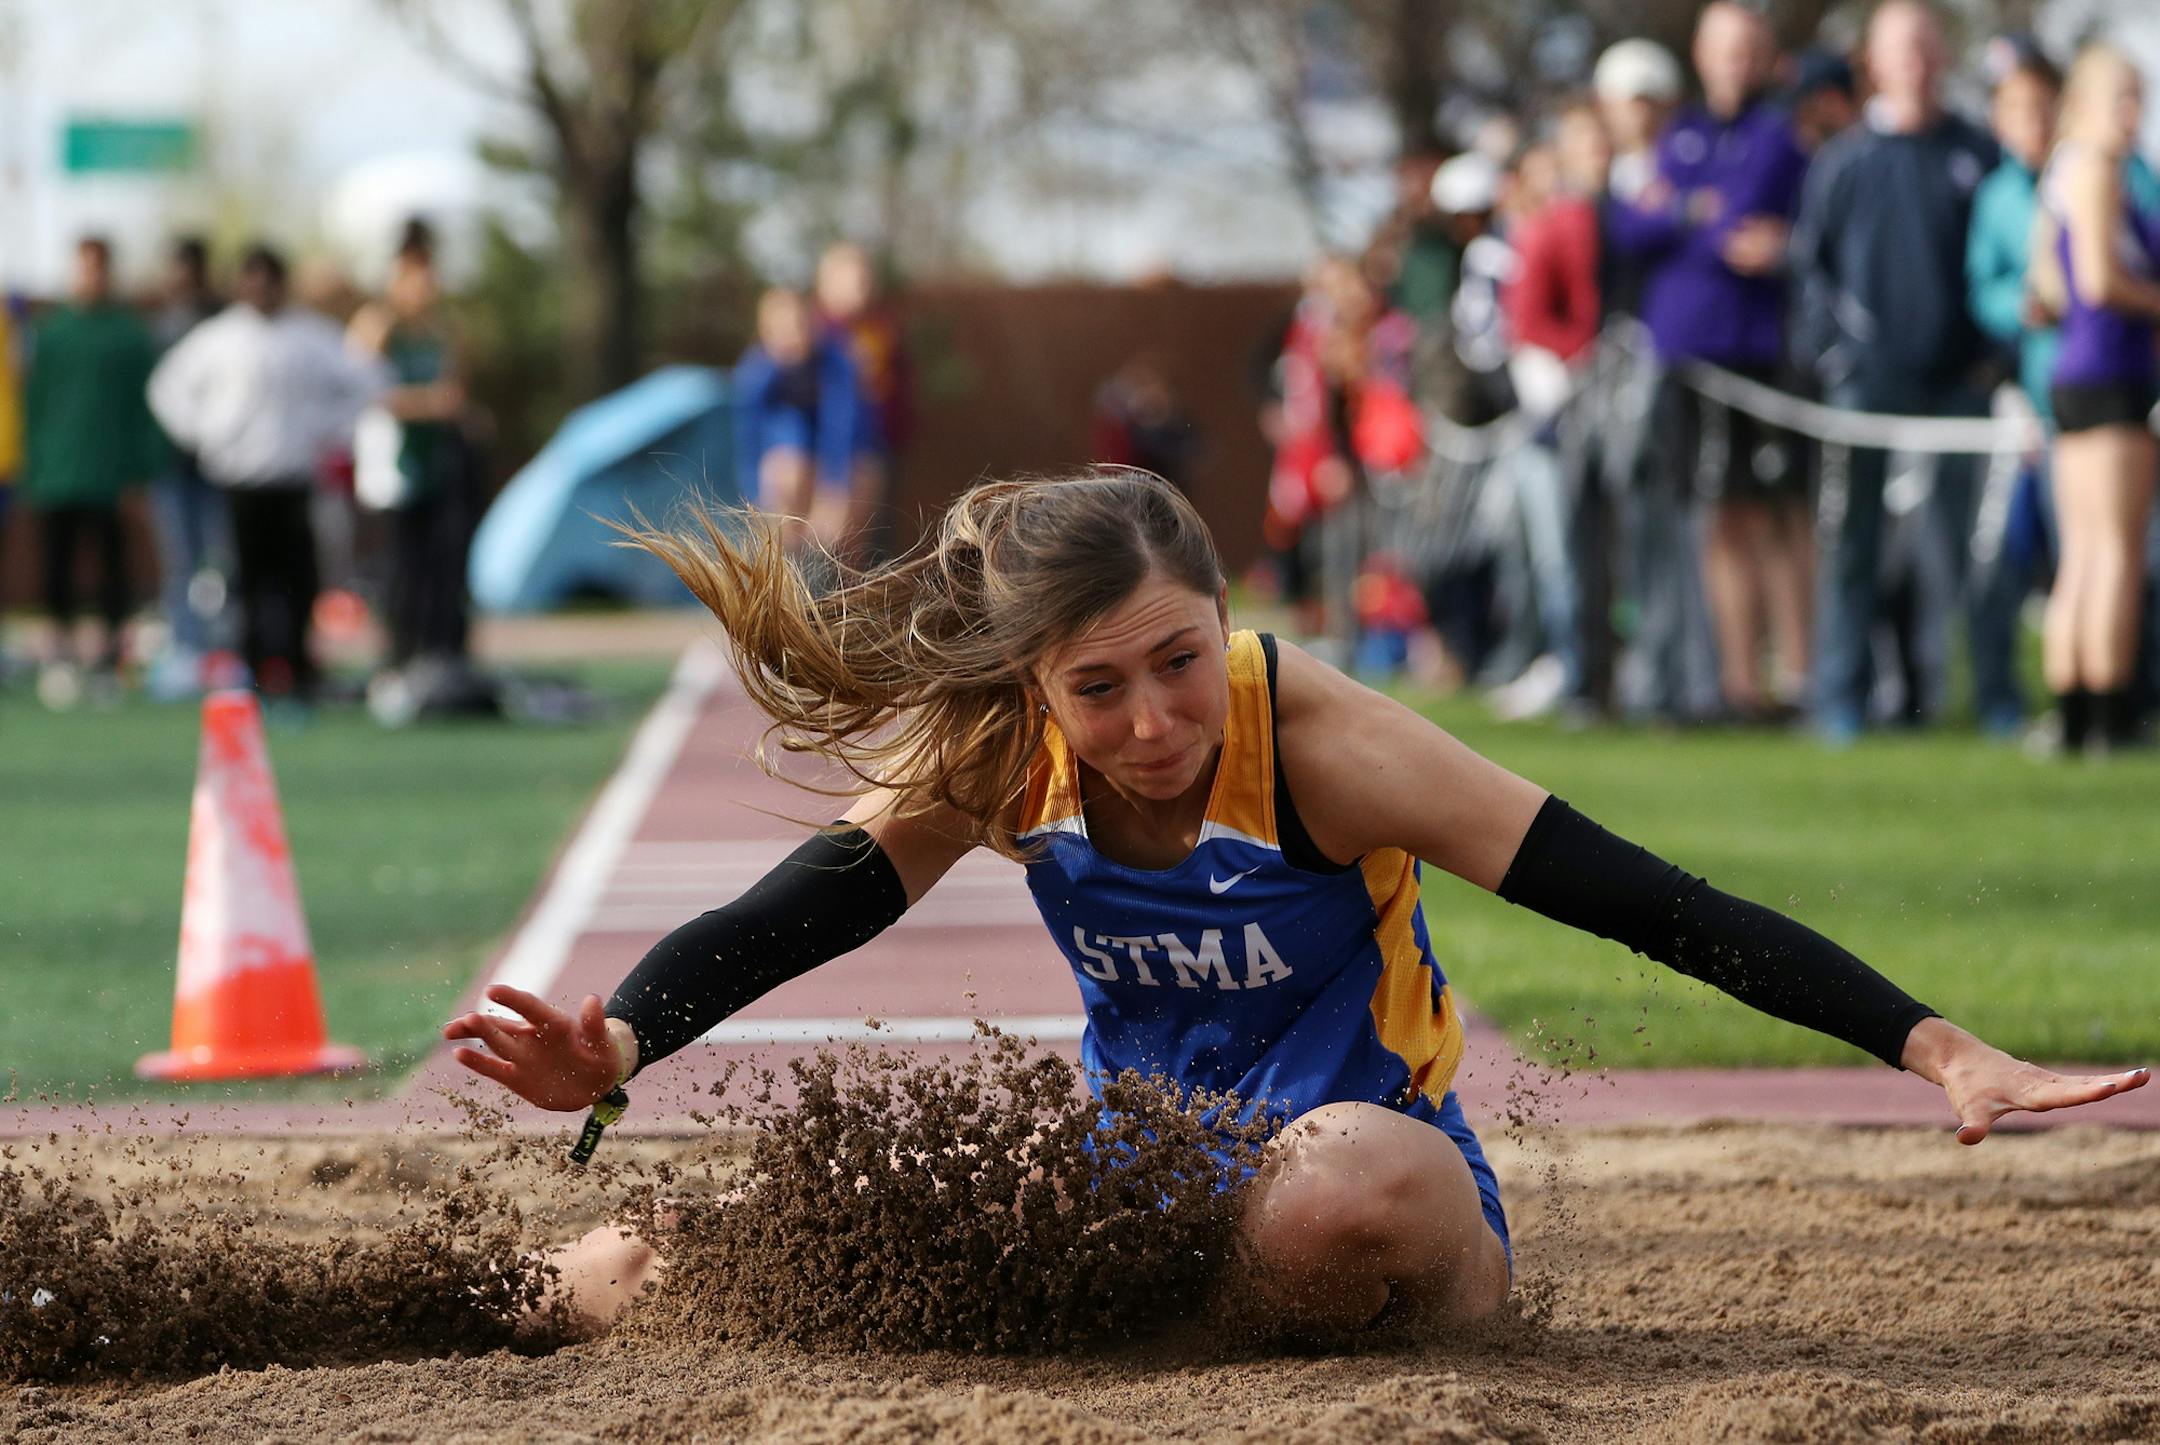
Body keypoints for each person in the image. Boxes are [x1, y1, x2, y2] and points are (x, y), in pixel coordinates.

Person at [443, 468, 2149, 1335]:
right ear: (1036, 687)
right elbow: (805, 905)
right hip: (1135, 1191)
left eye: (1179, 662)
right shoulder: (997, 750)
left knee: (1338, 1200)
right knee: (732, 1239)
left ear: (1224, 619)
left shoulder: (1325, 744)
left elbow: (1652, 901)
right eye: (1098, 688)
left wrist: (1937, 1050)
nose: (1153, 724)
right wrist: (629, 1037)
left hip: (1375, 1185)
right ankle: (451, 1305)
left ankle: (1132, 1324)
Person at [1790, 0, 2004, 744]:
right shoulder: (1843, 159)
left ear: (1941, 55)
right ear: (1874, 63)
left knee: (1976, 552)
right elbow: (1808, 270)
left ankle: (1996, 699)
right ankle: (1838, 700)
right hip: (1864, 392)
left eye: (1924, 44)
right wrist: (1837, 354)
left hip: (1959, 389)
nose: (1913, 59)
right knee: (1852, 547)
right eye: (1898, 47)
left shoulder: (1979, 149)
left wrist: (1993, 361)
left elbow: (2006, 258)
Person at [1606, 2, 1812, 724]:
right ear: (1702, 55)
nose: (1737, 62)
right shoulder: (1681, 132)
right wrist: (1694, 213)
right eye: (1725, 49)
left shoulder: (1779, 134)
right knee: (1718, 520)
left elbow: (1754, 216)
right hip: (1685, 365)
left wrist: (1686, 214)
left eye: (1749, 49)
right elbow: (1630, 224)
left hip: (1758, 361)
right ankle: (1735, 684)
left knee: (1779, 515)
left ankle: (1798, 675)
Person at [148, 243, 388, 705]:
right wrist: (203, 435)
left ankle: (298, 665)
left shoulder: (311, 336)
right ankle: (252, 667)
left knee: (299, 579)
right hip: (239, 479)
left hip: (294, 478)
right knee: (244, 580)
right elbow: (167, 388)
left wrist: (331, 432)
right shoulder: (219, 337)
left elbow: (366, 381)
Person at [2032, 46, 2160, 756]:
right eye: (2122, 99)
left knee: (2081, 553)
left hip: (2074, 372)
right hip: (2112, 372)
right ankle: (2111, 716)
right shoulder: (2100, 170)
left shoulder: (2060, 172)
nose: (2134, 116)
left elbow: (2046, 288)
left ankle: (2074, 713)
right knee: (2113, 550)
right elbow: (2101, 281)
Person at [23, 235, 162, 703]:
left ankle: (107, 660)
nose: (91, 277)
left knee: (112, 569)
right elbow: (36, 402)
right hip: (59, 471)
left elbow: (145, 407)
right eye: (84, 268)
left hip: (110, 472)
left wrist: (140, 469)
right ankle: (60, 657)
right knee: (57, 568)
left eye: (98, 268)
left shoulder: (128, 334)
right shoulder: (54, 331)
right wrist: (35, 462)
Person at [347, 219, 480, 685]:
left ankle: (438, 651)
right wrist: (426, 404)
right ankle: (397, 655)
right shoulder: (378, 325)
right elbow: (359, 390)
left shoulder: (443, 328)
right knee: (399, 563)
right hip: (393, 465)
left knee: (440, 560)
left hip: (436, 461)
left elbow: (456, 390)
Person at [144, 236, 230, 698]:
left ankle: (220, 647)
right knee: (180, 560)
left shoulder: (223, 325)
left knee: (220, 559)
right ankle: (186, 648)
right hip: (173, 466)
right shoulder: (161, 327)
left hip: (219, 466)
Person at [733, 287, 872, 558]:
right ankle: (788, 566)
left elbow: (841, 431)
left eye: (799, 326)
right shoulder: (755, 376)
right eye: (781, 331)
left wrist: (833, 493)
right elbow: (749, 446)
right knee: (787, 475)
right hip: (789, 463)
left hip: (839, 456)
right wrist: (755, 500)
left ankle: (853, 581)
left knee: (857, 496)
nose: (792, 337)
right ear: (765, 335)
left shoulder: (835, 365)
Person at [813, 243, 913, 562]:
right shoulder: (815, 334)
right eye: (854, 282)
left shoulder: (882, 330)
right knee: (830, 531)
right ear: (827, 284)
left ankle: (869, 597)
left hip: (878, 443)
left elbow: (899, 387)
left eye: (866, 282)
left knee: (876, 530)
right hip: (827, 448)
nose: (862, 291)